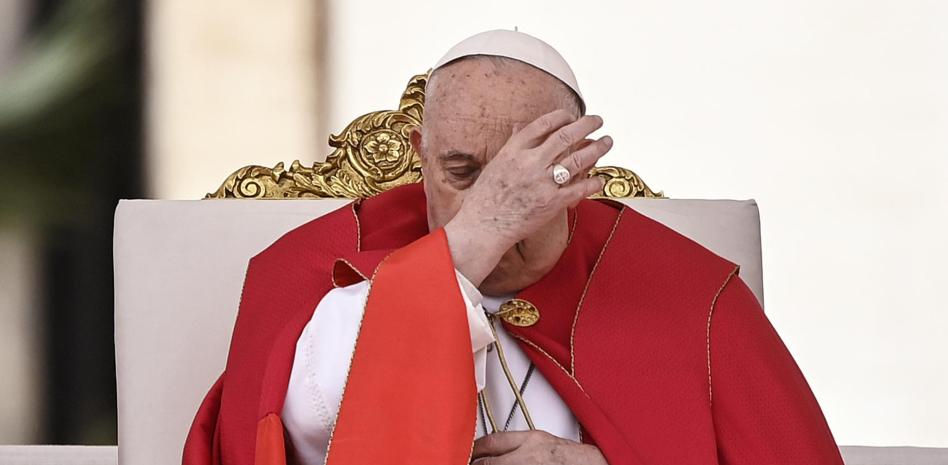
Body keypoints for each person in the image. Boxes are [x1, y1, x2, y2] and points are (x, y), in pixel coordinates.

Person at [183, 30, 845, 465]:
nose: (499, 198)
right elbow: (298, 429)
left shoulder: (689, 294)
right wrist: (471, 243)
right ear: (420, 158)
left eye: (528, 173)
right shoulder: (315, 265)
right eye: (463, 172)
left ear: (581, 164)